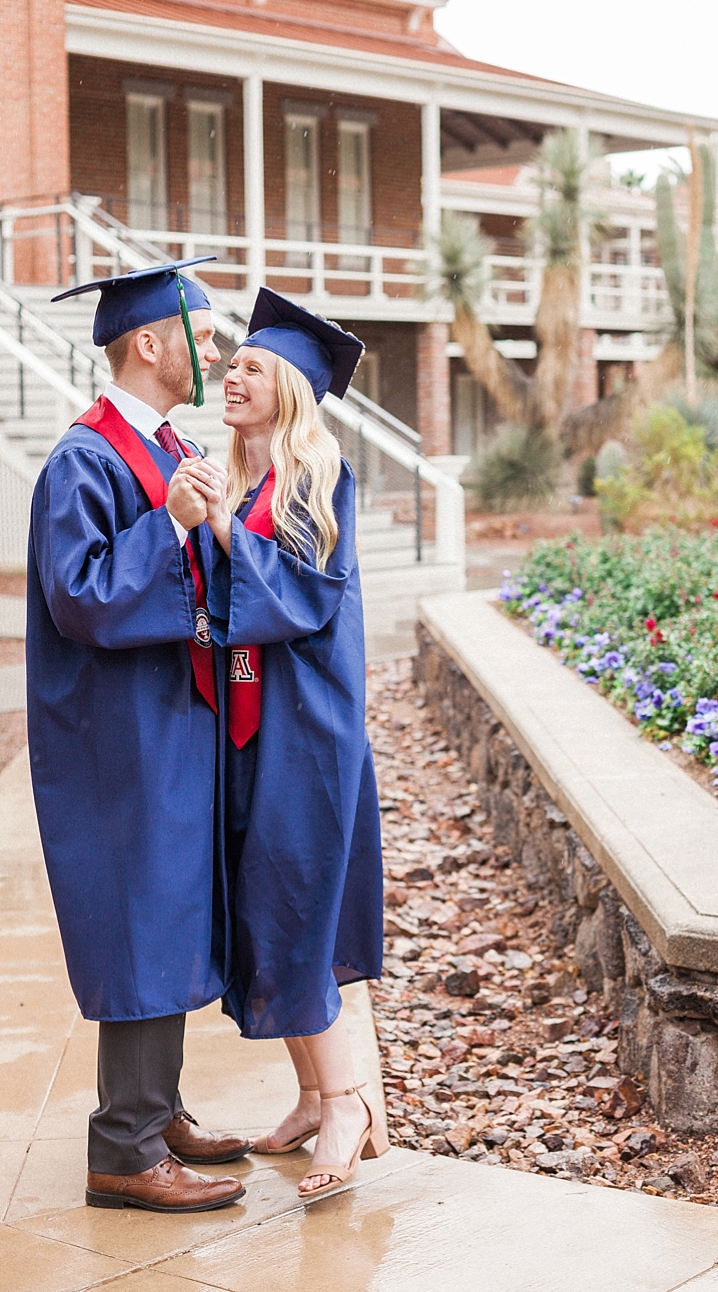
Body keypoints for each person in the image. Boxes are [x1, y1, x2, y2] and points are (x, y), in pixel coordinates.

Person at [26, 261, 251, 1213]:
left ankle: (154, 1111)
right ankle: (121, 1148)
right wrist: (172, 525)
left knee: (169, 908)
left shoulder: (166, 444)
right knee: (137, 917)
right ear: (147, 343)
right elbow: (80, 596)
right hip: (116, 733)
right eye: (201, 336)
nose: (216, 352)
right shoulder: (86, 459)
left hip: (169, 714)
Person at [177, 287, 386, 1204]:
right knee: (270, 905)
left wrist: (220, 527)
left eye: (251, 366)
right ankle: (310, 1094)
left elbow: (299, 603)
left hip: (306, 731)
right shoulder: (249, 479)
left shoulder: (314, 477)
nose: (229, 371)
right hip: (251, 728)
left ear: (292, 389)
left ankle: (347, 1106)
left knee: (297, 909)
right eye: (232, 362)